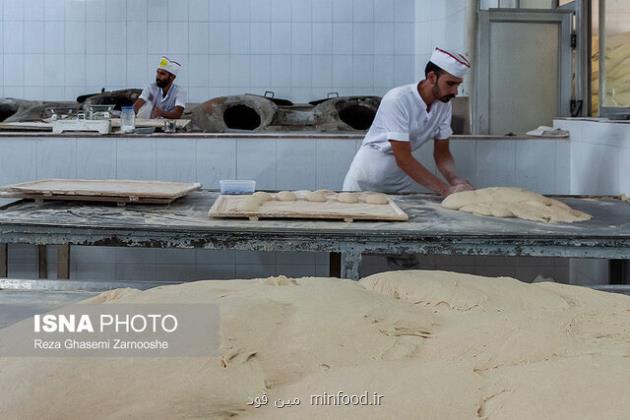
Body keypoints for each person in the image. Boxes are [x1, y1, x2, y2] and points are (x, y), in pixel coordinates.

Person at [343, 47, 474, 196]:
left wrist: (454, 179)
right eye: (450, 84)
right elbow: (403, 158)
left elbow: (442, 153)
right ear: (432, 77)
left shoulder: (444, 106)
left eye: (458, 85)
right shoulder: (398, 100)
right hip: (368, 178)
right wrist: (445, 190)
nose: (455, 92)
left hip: (399, 179)